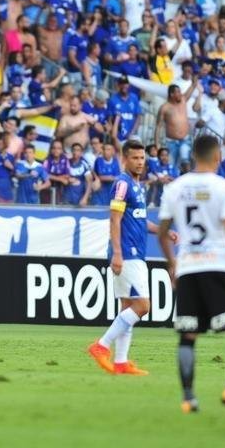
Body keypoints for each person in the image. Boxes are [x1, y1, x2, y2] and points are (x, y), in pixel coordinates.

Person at [157, 135, 225, 415]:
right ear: (218, 157)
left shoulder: (174, 188)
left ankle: (188, 398)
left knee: (188, 334)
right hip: (220, 265)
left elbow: (162, 232)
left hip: (189, 268)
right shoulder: (224, 188)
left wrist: (172, 265)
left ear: (193, 155)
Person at [87, 139, 169, 376]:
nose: (140, 162)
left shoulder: (137, 185)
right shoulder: (122, 184)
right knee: (143, 306)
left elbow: (140, 221)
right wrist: (118, 254)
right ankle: (101, 346)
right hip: (127, 253)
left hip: (136, 252)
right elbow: (114, 219)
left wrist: (164, 231)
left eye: (142, 158)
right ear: (125, 159)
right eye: (135, 158)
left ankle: (121, 362)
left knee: (127, 307)